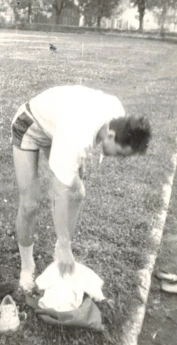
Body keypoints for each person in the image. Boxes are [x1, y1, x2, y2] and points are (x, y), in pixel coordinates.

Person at [11, 85, 152, 292]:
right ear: (112, 136)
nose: (120, 159)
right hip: (30, 124)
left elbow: (85, 127)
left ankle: (58, 252)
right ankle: (27, 267)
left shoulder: (117, 114)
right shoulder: (77, 134)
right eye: (121, 153)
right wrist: (67, 244)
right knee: (31, 203)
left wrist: (78, 159)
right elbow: (57, 193)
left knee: (78, 191)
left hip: (58, 128)